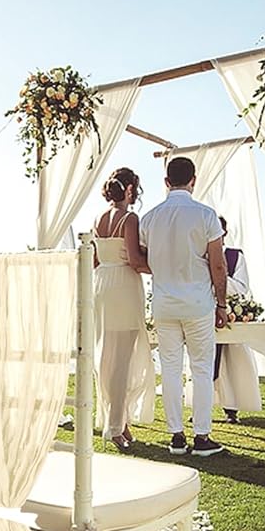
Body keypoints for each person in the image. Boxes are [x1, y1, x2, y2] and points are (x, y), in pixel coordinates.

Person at [140, 156, 229, 456]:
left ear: (166, 182)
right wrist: (222, 304)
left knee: (170, 369)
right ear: (194, 180)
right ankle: (202, 437)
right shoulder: (206, 215)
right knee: (201, 369)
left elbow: (143, 258)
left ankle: (176, 436)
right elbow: (218, 265)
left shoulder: (149, 219)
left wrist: (164, 270)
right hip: (198, 303)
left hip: (164, 304)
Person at [91, 167, 155, 451]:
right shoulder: (129, 219)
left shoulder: (98, 218)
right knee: (122, 360)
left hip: (101, 284)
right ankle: (115, 427)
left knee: (107, 357)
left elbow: (95, 260)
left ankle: (119, 420)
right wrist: (162, 268)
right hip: (123, 287)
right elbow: (135, 260)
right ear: (130, 189)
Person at [212, 216, 262, 423]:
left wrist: (219, 277)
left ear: (224, 233)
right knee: (203, 360)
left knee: (234, 361)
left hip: (231, 314)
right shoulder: (199, 256)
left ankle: (232, 408)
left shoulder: (234, 256)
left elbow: (242, 287)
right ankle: (202, 406)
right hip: (205, 314)